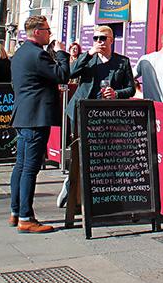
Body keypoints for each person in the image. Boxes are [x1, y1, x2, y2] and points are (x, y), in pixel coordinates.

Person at [57, 25, 136, 207]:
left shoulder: (122, 62)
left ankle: (100, 191)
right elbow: (70, 72)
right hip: (81, 111)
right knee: (81, 151)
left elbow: (130, 88)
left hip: (106, 114)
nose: (99, 41)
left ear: (111, 40)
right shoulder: (88, 60)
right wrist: (89, 54)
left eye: (103, 38)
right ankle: (71, 185)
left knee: (102, 154)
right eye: (96, 38)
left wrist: (117, 93)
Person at [9, 15, 69, 233]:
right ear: (37, 32)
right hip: (35, 118)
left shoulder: (20, 53)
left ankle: (16, 211)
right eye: (46, 30)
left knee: (21, 166)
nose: (49, 33)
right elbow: (62, 75)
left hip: (23, 115)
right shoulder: (37, 54)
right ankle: (26, 217)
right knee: (29, 170)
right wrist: (62, 52)